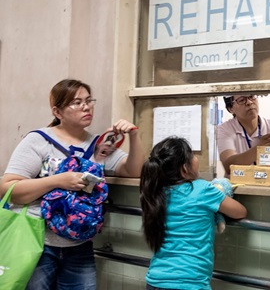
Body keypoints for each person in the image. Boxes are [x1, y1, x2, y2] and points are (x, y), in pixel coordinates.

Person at [0, 79, 145, 290]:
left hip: (79, 244)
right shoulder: (39, 140)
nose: (86, 107)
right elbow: (8, 189)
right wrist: (58, 180)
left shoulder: (100, 144)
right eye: (76, 103)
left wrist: (134, 136)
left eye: (88, 100)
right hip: (37, 242)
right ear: (57, 112)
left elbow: (135, 171)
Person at [140, 136, 247, 289]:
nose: (196, 158)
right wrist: (221, 190)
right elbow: (240, 212)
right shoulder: (202, 190)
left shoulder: (155, 193)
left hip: (155, 280)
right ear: (185, 168)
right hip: (190, 283)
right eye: (192, 155)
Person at [217, 95, 270, 176]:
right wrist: (259, 149)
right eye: (242, 100)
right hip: (238, 186)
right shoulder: (225, 129)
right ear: (230, 109)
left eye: (252, 96)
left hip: (269, 185)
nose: (249, 102)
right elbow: (229, 166)